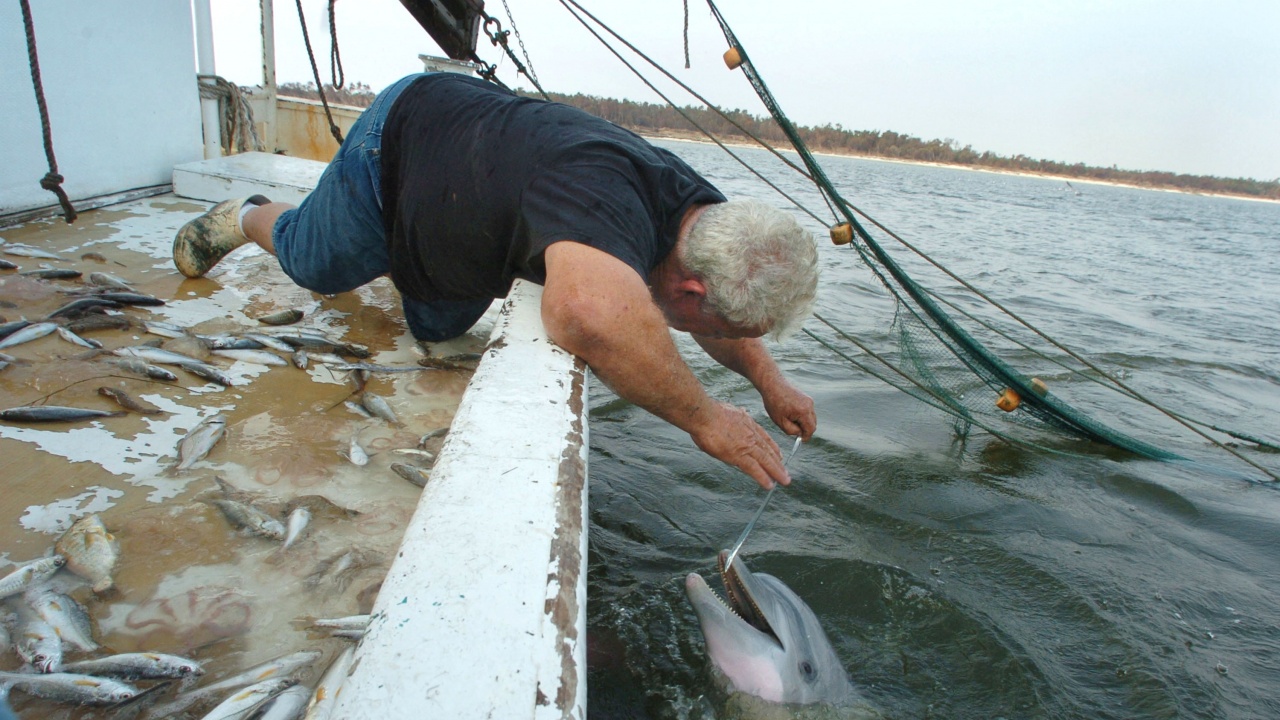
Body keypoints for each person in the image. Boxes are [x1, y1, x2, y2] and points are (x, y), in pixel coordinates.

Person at [172, 72, 819, 490]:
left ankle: (413, 247)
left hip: (465, 197)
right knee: (313, 261)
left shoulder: (703, 219)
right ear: (691, 293)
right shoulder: (610, 203)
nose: (732, 342)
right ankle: (247, 214)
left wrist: (769, 380)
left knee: (435, 327)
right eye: (727, 331)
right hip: (401, 142)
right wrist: (704, 417)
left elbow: (707, 312)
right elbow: (585, 314)